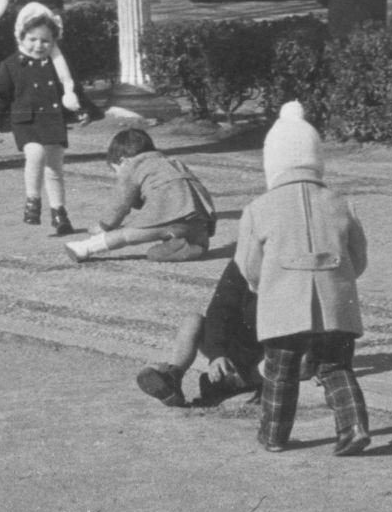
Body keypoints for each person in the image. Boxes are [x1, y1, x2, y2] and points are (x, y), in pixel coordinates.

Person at [235, 101, 371, 455]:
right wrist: (341, 278)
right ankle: (353, 426)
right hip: (337, 303)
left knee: (280, 372)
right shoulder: (340, 202)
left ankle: (274, 436)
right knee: (335, 367)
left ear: (272, 163)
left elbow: (249, 264)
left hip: (284, 303)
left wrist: (260, 287)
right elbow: (359, 257)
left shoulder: (259, 208)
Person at [0, 3, 77, 236]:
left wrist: (81, 110)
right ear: (21, 37)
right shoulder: (11, 65)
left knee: (55, 167)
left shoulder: (58, 66)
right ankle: (32, 201)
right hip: (26, 122)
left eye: (45, 41)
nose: (39, 45)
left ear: (54, 41)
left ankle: (59, 213)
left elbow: (73, 90)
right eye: (32, 39)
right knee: (35, 154)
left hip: (52, 120)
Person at [65, 126, 215, 263]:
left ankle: (84, 248)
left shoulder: (133, 166)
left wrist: (105, 226)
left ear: (123, 161)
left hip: (167, 210)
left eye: (116, 170)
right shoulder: (173, 162)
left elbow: (120, 204)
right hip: (199, 215)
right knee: (156, 253)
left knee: (126, 235)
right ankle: (193, 246)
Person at [134, 257, 265, 410]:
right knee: (193, 321)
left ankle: (238, 382)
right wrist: (217, 354)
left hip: (267, 353)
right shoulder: (244, 260)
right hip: (236, 343)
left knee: (283, 363)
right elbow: (219, 309)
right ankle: (173, 375)